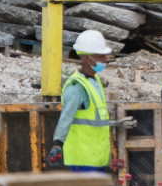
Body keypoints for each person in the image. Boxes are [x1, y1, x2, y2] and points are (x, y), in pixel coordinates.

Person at [47, 30, 134, 172]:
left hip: (97, 158)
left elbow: (95, 120)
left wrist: (116, 124)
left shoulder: (95, 81)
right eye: (100, 56)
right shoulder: (77, 87)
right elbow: (66, 118)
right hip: (82, 160)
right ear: (87, 58)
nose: (106, 59)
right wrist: (57, 143)